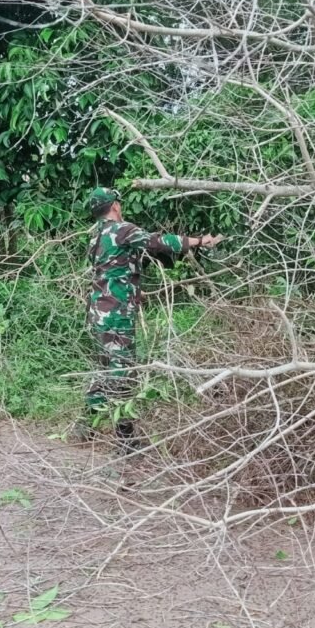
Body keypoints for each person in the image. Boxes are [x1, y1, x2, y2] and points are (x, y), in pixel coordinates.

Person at [84, 187, 223, 451]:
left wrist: (134, 291)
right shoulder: (122, 229)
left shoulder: (96, 236)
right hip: (116, 314)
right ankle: (125, 440)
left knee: (104, 366)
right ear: (114, 205)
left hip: (99, 310)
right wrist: (196, 241)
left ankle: (84, 426)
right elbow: (154, 242)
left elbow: (110, 272)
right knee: (121, 370)